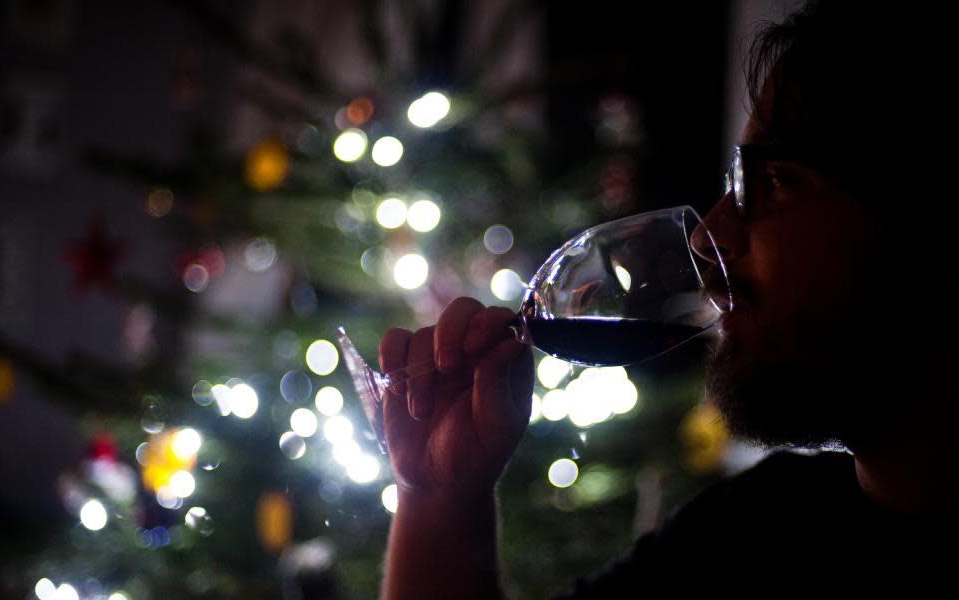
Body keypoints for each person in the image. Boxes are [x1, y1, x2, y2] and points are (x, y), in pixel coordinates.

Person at [377, 2, 957, 597]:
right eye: (736, 183)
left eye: (780, 181)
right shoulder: (754, 530)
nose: (709, 236)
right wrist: (439, 495)